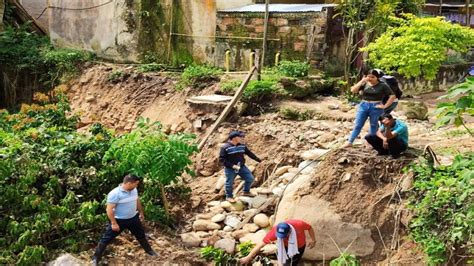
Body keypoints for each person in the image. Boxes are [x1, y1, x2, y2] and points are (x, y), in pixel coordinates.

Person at [92, 174, 157, 265]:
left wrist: (141, 212)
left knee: (141, 235)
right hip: (119, 220)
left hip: (133, 218)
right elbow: (109, 209)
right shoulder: (115, 193)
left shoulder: (134, 190)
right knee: (106, 239)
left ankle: (149, 251)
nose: (137, 186)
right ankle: (96, 258)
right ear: (129, 183)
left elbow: (137, 200)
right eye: (136, 184)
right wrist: (114, 223)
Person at [343, 69, 397, 148]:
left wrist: (385, 106)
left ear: (377, 77)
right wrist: (362, 81)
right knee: (358, 124)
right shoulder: (365, 83)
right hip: (363, 105)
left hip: (376, 107)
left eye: (373, 77)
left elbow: (392, 96)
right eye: (369, 77)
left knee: (374, 125)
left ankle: (371, 143)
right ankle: (350, 141)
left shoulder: (383, 85)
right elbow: (353, 90)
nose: (370, 79)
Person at [240, 219, 316, 266]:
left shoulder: (299, 224)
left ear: (290, 232)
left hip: (299, 247)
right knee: (283, 263)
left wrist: (313, 240)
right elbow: (260, 245)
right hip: (284, 247)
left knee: (293, 263)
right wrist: (248, 257)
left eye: (284, 236)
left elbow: (309, 228)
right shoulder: (274, 232)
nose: (281, 238)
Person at [219, 130, 261, 203]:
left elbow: (249, 153)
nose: (242, 138)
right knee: (229, 183)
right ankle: (229, 197)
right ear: (235, 138)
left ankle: (246, 191)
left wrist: (258, 160)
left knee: (250, 178)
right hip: (230, 169)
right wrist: (232, 166)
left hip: (241, 167)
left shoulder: (242, 146)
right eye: (240, 136)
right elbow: (222, 160)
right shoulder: (225, 147)